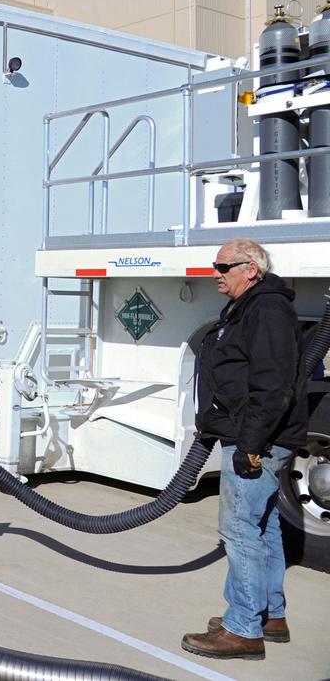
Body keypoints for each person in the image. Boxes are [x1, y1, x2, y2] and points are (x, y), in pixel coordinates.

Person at [181, 238, 306, 660]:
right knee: (263, 524)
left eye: (223, 266)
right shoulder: (249, 306)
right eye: (215, 265)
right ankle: (269, 615)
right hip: (254, 435)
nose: (215, 273)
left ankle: (243, 629)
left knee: (239, 529)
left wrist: (250, 445)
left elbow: (272, 386)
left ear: (250, 269)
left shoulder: (266, 309)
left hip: (257, 439)